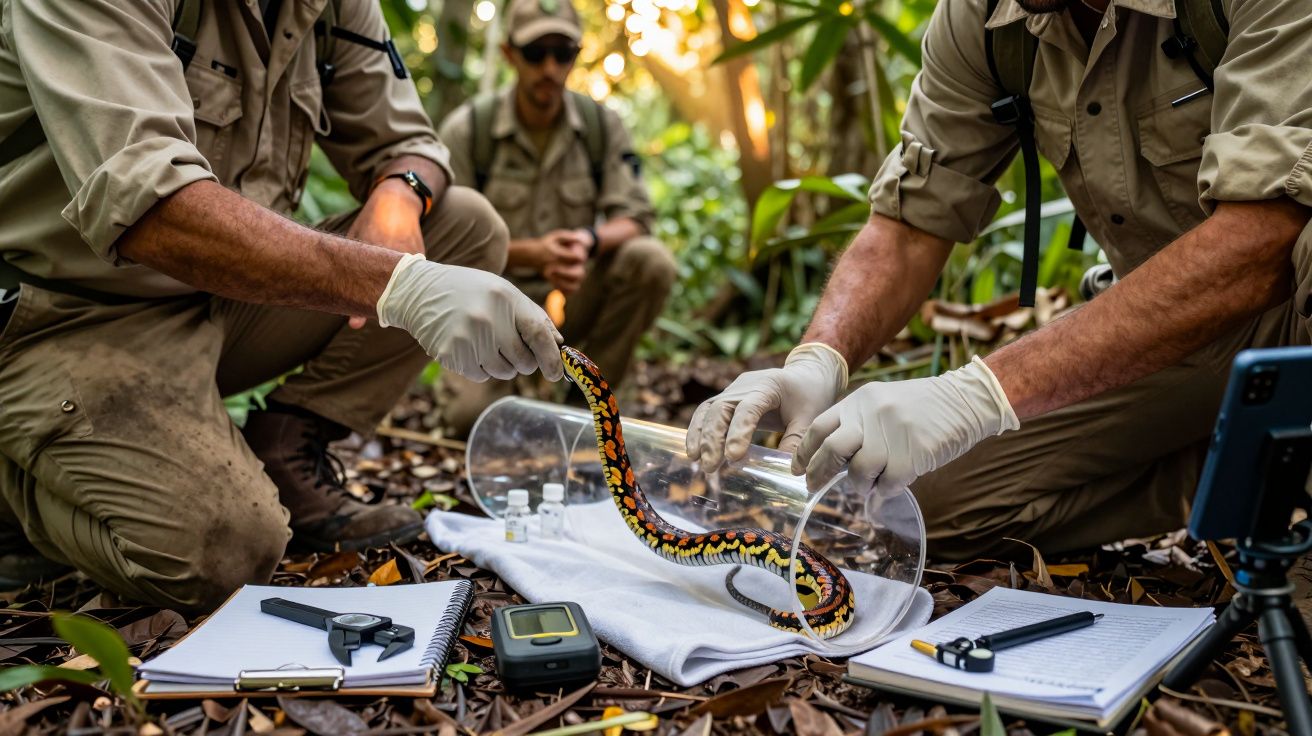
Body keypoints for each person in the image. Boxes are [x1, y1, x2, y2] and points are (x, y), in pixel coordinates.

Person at [687, 0, 1312, 559]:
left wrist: (981, 395)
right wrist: (819, 359)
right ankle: (1252, 472)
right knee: (914, 503)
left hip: (1289, 301)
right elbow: (908, 226)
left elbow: (1263, 237)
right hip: (1164, 332)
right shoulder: (988, 21)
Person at [0, 0, 562, 611]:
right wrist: (396, 285)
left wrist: (400, 193)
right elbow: (151, 207)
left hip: (217, 300)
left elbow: (411, 142)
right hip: (63, 317)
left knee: (465, 229)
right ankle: (18, 483)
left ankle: (286, 447)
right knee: (224, 551)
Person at [435, 0, 676, 438]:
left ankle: (584, 401)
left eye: (561, 53)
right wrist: (531, 255)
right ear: (510, 55)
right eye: (535, 53)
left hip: (574, 299)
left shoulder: (600, 126)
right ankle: (510, 392)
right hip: (492, 310)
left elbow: (636, 215)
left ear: (575, 56)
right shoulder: (468, 130)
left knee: (650, 260)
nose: (549, 67)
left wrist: (588, 241)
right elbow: (441, 243)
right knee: (469, 422)